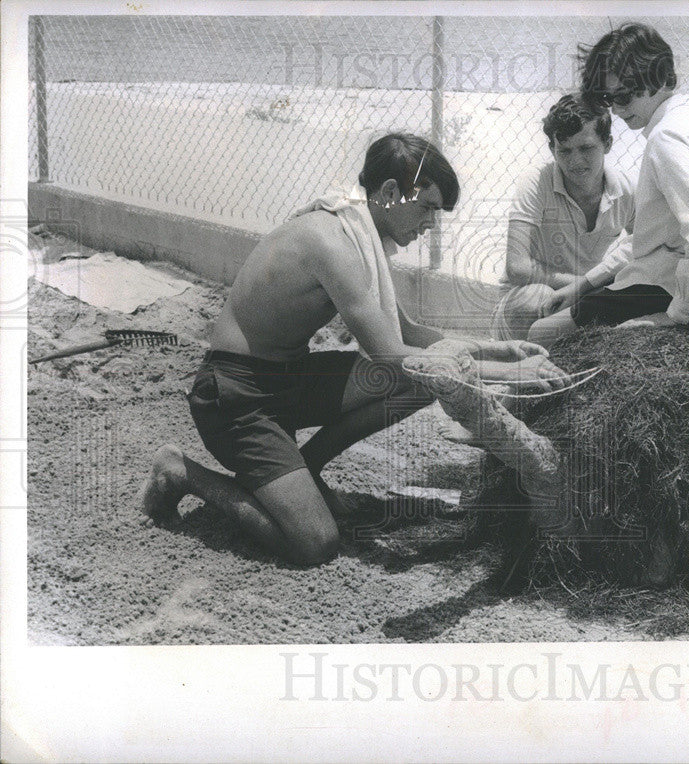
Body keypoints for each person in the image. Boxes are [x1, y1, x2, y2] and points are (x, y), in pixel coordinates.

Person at [141, 133, 571, 566]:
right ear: (389, 192)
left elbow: (410, 332)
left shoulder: (359, 231)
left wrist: (496, 351)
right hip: (235, 397)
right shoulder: (334, 242)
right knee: (314, 543)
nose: (430, 225)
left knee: (421, 385)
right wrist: (511, 376)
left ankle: (306, 466)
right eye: (427, 208)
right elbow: (388, 354)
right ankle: (181, 472)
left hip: (287, 379)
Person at [527, 23, 689, 346]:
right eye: (607, 98)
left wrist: (676, 316)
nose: (615, 109)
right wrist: (582, 285)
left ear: (657, 78)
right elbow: (652, 238)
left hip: (672, 290)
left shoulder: (666, 139)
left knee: (540, 334)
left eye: (624, 97)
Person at [490, 93, 635, 341]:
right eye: (564, 150)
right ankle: (514, 368)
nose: (575, 161)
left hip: (582, 300)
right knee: (539, 299)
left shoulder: (627, 189)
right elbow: (517, 268)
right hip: (528, 301)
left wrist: (588, 289)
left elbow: (648, 249)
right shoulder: (536, 182)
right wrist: (586, 285)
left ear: (608, 144)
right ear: (552, 149)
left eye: (586, 148)